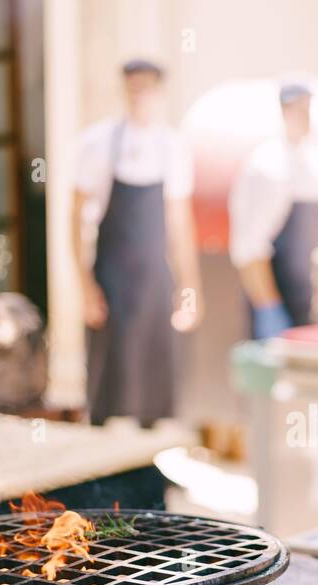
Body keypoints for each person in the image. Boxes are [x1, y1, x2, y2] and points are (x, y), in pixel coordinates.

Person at [72, 59, 202, 427]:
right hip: (111, 277)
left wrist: (190, 286)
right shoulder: (98, 143)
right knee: (108, 387)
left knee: (154, 390)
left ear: (160, 91)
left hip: (154, 280)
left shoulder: (172, 146)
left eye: (148, 85)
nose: (141, 93)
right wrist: (84, 285)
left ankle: (148, 473)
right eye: (134, 85)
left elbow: (179, 221)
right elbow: (76, 216)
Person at [229, 80, 318, 340]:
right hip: (278, 301)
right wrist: (268, 307)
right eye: (296, 107)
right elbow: (248, 249)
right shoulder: (265, 166)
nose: (303, 114)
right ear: (283, 110)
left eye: (307, 106)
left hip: (312, 307)